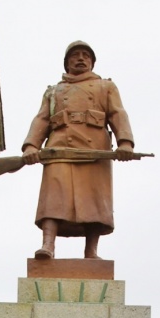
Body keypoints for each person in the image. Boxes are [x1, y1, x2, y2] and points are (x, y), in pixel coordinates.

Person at [22, 41, 134, 259]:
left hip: (95, 150)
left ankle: (91, 251)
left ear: (92, 62)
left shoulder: (106, 87)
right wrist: (31, 146)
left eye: (85, 55)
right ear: (67, 63)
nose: (80, 58)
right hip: (59, 148)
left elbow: (118, 114)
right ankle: (48, 245)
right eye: (75, 55)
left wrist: (125, 142)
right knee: (54, 195)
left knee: (94, 199)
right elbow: (42, 119)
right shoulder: (53, 91)